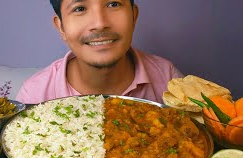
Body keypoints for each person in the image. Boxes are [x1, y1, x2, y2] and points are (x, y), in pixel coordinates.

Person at [16, 0, 183, 104]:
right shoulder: (34, 95)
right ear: (61, 27)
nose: (100, 23)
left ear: (134, 16)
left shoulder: (168, 79)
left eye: (113, 4)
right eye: (80, 8)